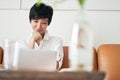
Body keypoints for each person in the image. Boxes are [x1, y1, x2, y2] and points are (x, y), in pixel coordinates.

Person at [19, 3, 63, 70]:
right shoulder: (22, 43)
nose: (39, 26)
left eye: (43, 23)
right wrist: (32, 41)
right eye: (36, 21)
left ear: (48, 23)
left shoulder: (57, 41)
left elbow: (57, 65)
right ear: (30, 21)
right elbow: (24, 67)